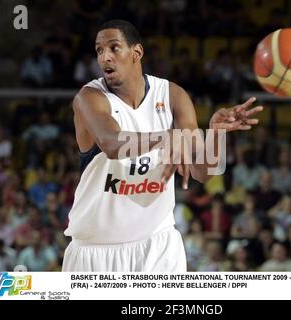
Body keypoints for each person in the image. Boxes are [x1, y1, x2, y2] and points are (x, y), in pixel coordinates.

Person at [62, 20, 263, 272]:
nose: (105, 57)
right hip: (96, 250)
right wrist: (169, 137)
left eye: (114, 48)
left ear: (137, 53)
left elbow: (202, 171)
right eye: (99, 50)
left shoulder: (172, 95)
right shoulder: (89, 98)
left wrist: (215, 133)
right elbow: (112, 144)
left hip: (158, 244)